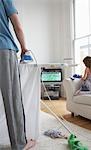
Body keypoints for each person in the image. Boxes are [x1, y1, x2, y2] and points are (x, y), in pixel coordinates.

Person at [0, 0, 35, 149]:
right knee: (12, 100)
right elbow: (18, 26)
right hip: (4, 50)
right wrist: (24, 49)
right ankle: (19, 144)